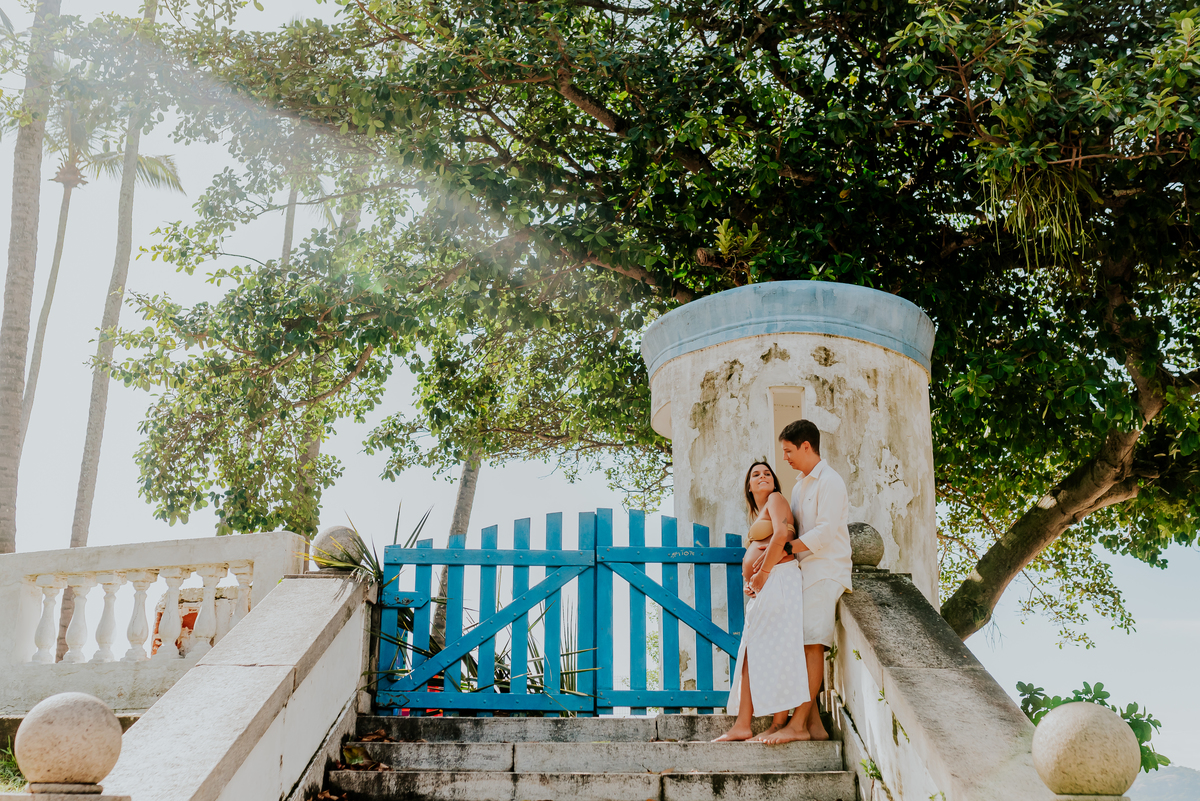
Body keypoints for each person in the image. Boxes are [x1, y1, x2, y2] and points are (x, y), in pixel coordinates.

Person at [759, 419, 853, 744]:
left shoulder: (831, 481)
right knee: (799, 648)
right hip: (802, 575)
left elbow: (825, 532)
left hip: (825, 572)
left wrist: (788, 547)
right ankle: (814, 726)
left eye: (787, 451)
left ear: (806, 446)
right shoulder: (799, 486)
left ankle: (797, 726)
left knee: (812, 646)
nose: (784, 457)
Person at [714, 461, 809, 742]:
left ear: (774, 481)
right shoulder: (761, 511)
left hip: (778, 579)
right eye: (756, 474)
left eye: (767, 473)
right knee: (756, 650)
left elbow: (783, 535)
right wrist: (753, 575)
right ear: (748, 486)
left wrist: (761, 573)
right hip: (770, 582)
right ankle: (752, 723)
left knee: (765, 648)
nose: (762, 476)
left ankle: (771, 724)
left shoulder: (776, 499)